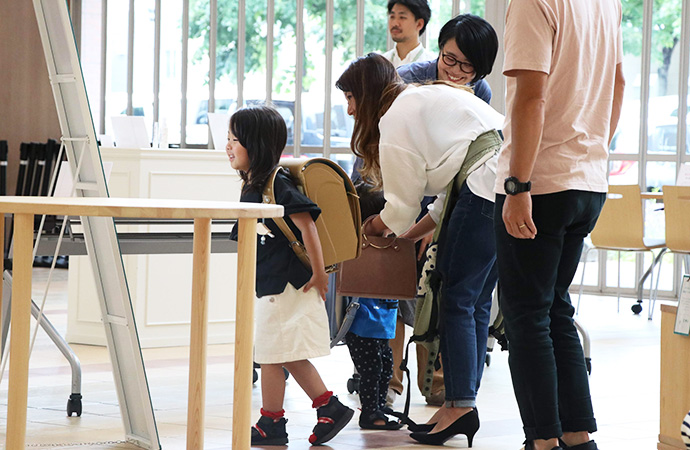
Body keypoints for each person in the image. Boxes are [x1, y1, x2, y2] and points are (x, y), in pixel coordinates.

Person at [337, 52, 504, 446]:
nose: (348, 110)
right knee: (475, 302)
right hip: (505, 182)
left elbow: (400, 208)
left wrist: (367, 230)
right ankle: (460, 405)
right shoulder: (422, 98)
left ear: (366, 94)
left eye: (350, 98)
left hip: (484, 184)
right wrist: (410, 235)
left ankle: (460, 408)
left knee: (456, 300)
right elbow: (446, 195)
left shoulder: (396, 115)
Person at [494, 0, 625, 449]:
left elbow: (532, 97)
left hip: (541, 182)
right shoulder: (607, 4)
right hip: (587, 180)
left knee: (527, 316)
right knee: (554, 309)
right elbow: (619, 83)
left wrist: (518, 185)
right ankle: (577, 437)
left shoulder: (534, 2)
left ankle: (543, 442)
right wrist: (590, 152)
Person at [387, 12, 499, 409]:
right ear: (438, 50)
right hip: (413, 193)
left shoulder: (479, 90)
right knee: (399, 291)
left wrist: (434, 222)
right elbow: (398, 156)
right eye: (449, 59)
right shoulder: (409, 80)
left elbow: (467, 158)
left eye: (467, 66)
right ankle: (391, 377)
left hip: (458, 197)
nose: (455, 71)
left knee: (452, 295)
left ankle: (450, 389)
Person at [227, 105, 354, 446]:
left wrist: (319, 272)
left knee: (272, 353)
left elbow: (306, 223)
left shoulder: (275, 181)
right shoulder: (254, 182)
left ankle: (273, 421)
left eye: (234, 140)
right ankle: (327, 406)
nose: (228, 147)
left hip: (287, 285)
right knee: (284, 352)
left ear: (256, 144)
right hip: (272, 284)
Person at [345, 183, 402, 430]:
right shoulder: (358, 251)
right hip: (363, 326)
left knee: (386, 368)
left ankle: (379, 407)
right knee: (372, 370)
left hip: (382, 327)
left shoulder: (388, 250)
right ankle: (370, 413)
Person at [382, 0, 436, 68]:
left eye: (402, 17)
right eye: (392, 17)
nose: (395, 23)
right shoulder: (381, 63)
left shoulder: (431, 65)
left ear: (419, 24)